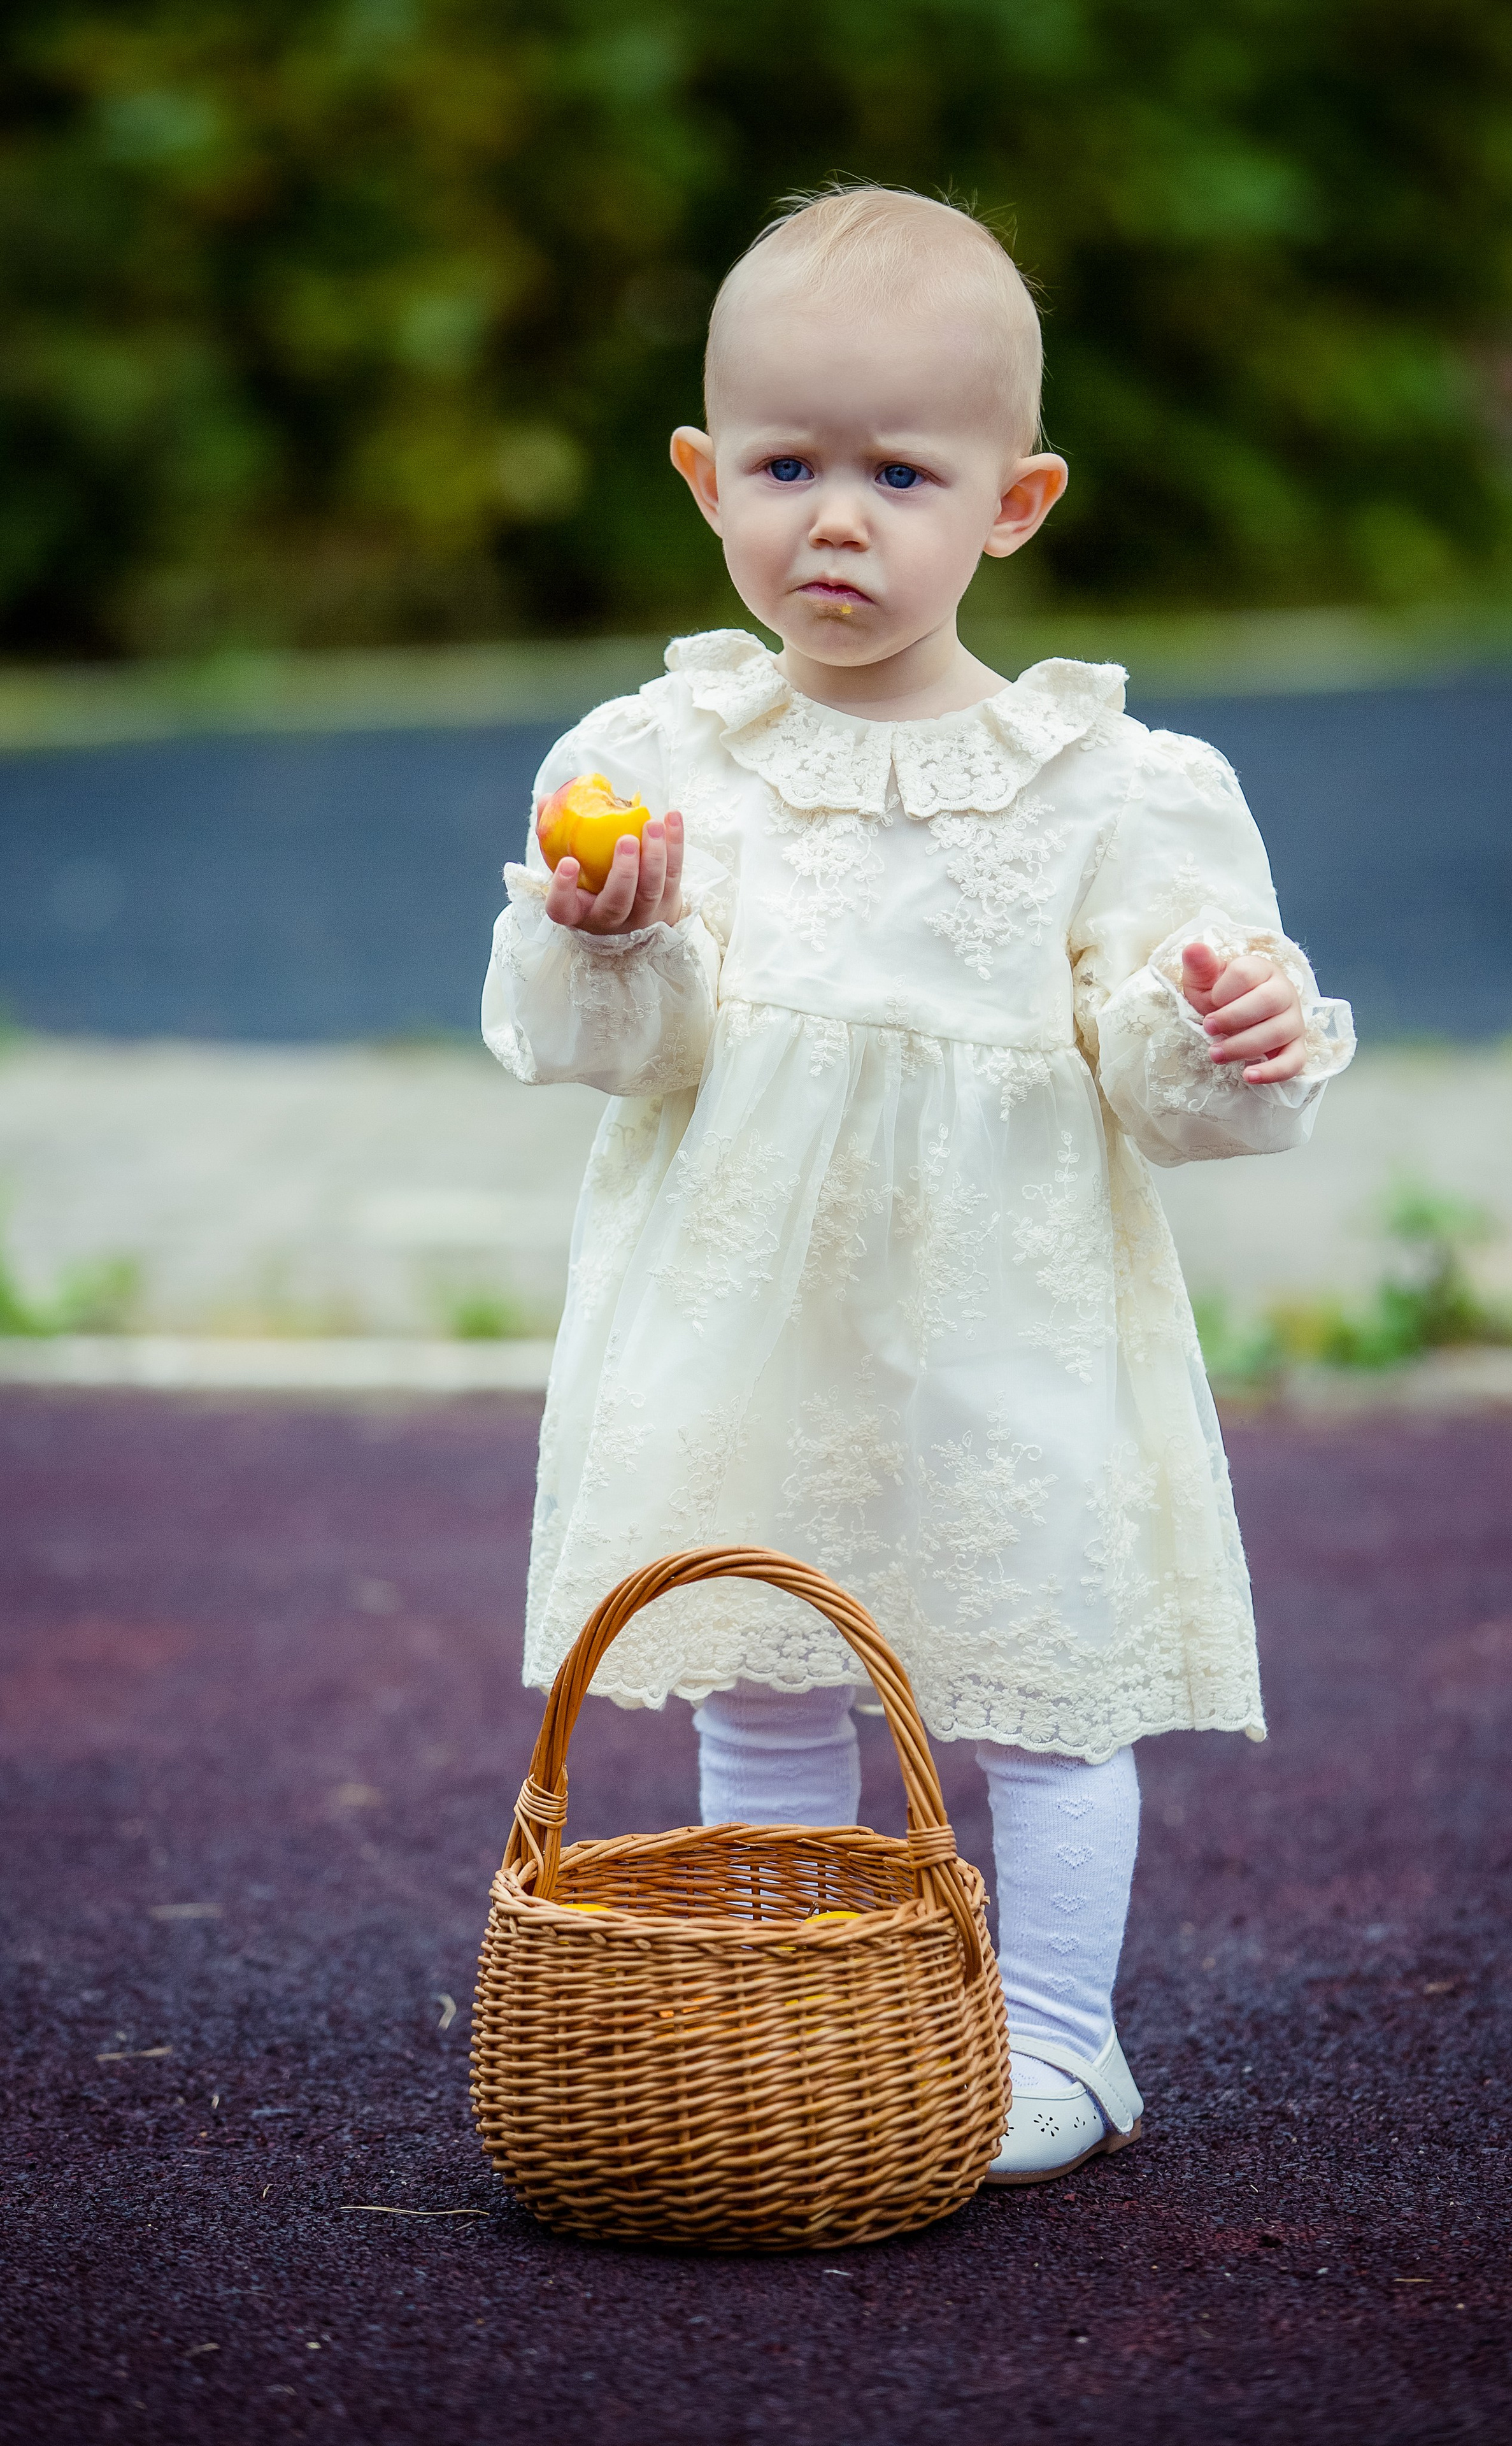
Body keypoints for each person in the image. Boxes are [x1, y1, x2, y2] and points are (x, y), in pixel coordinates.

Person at [481, 184, 1354, 2183]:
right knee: (772, 1651)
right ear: (707, 483)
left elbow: (1170, 1082)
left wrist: (1218, 1032)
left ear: (1016, 504)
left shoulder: (1112, 788)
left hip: (1004, 1310)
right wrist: (611, 937)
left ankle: (1059, 2038)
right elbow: (600, 1050)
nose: (838, 518)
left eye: (901, 471)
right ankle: (787, 1995)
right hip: (749, 1315)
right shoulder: (655, 748)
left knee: (1043, 1681)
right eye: (787, 465)